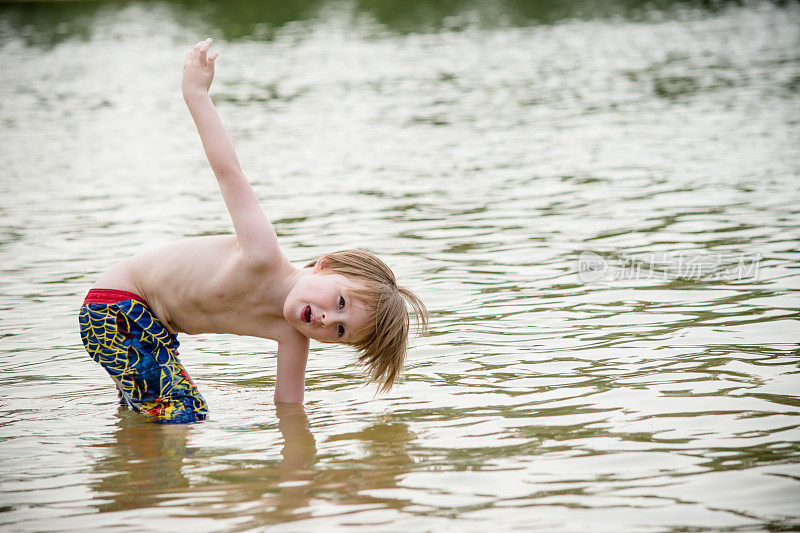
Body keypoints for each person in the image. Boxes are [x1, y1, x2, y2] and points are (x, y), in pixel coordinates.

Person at [78, 38, 427, 423]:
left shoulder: (292, 335)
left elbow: (289, 405)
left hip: (154, 331)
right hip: (119, 304)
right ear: (325, 265)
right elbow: (229, 173)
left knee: (148, 414)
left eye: (341, 332)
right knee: (184, 412)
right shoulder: (261, 253)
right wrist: (196, 93)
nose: (327, 320)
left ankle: (134, 471)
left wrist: (298, 469)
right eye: (340, 303)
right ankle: (158, 479)